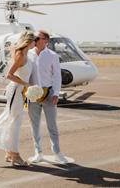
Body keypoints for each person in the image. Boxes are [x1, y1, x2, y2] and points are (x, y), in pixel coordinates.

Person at [0, 31, 36, 167]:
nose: (37, 42)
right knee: (14, 122)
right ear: (30, 42)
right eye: (35, 39)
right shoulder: (21, 55)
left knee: (14, 121)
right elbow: (9, 75)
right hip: (15, 90)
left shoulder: (26, 55)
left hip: (19, 91)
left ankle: (9, 152)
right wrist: (25, 84)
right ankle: (15, 155)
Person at [27, 30, 68, 164]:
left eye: (37, 37)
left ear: (45, 41)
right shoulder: (28, 54)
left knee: (52, 125)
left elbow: (57, 75)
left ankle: (57, 152)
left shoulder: (52, 56)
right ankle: (38, 152)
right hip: (33, 95)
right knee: (35, 126)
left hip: (49, 94)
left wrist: (56, 93)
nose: (34, 39)